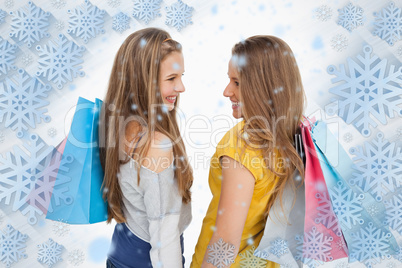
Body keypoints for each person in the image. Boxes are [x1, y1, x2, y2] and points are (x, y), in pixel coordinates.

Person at [190, 35, 305, 267]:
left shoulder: (241, 148)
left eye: (237, 83)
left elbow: (225, 243)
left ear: (263, 88)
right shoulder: (294, 133)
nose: (226, 91)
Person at [99, 28, 193, 268]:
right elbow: (165, 235)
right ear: (144, 81)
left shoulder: (117, 125)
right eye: (171, 79)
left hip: (120, 252)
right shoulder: (156, 144)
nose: (181, 87)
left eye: (181, 76)